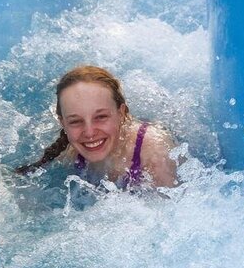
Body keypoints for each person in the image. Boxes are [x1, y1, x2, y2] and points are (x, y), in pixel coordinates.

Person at [15, 65, 178, 189]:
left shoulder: (152, 151)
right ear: (62, 123)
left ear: (120, 113)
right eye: (75, 121)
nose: (90, 132)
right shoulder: (65, 150)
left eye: (100, 117)